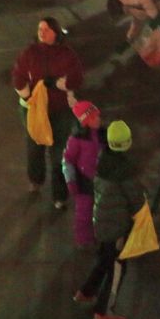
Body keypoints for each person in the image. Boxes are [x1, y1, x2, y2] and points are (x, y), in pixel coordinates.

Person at [10, 16, 85, 209]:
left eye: (46, 29)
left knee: (59, 155)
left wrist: (59, 84)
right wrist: (28, 97)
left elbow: (76, 79)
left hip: (59, 112)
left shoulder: (67, 55)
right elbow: (18, 76)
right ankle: (36, 180)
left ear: (55, 33)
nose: (42, 32)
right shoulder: (30, 53)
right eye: (39, 29)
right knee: (35, 149)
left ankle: (59, 195)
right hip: (34, 111)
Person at [74, 121, 142, 319]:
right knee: (117, 267)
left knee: (104, 259)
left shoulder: (102, 162)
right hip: (118, 228)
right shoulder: (126, 170)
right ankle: (104, 312)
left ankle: (86, 292)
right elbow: (135, 199)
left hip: (102, 222)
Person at [63, 101, 106, 248]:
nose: (98, 119)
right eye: (94, 118)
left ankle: (97, 234)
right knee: (84, 213)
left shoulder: (102, 134)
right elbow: (68, 161)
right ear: (85, 122)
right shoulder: (76, 140)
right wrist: (71, 181)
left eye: (98, 116)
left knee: (100, 210)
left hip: (100, 180)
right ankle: (84, 239)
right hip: (84, 182)